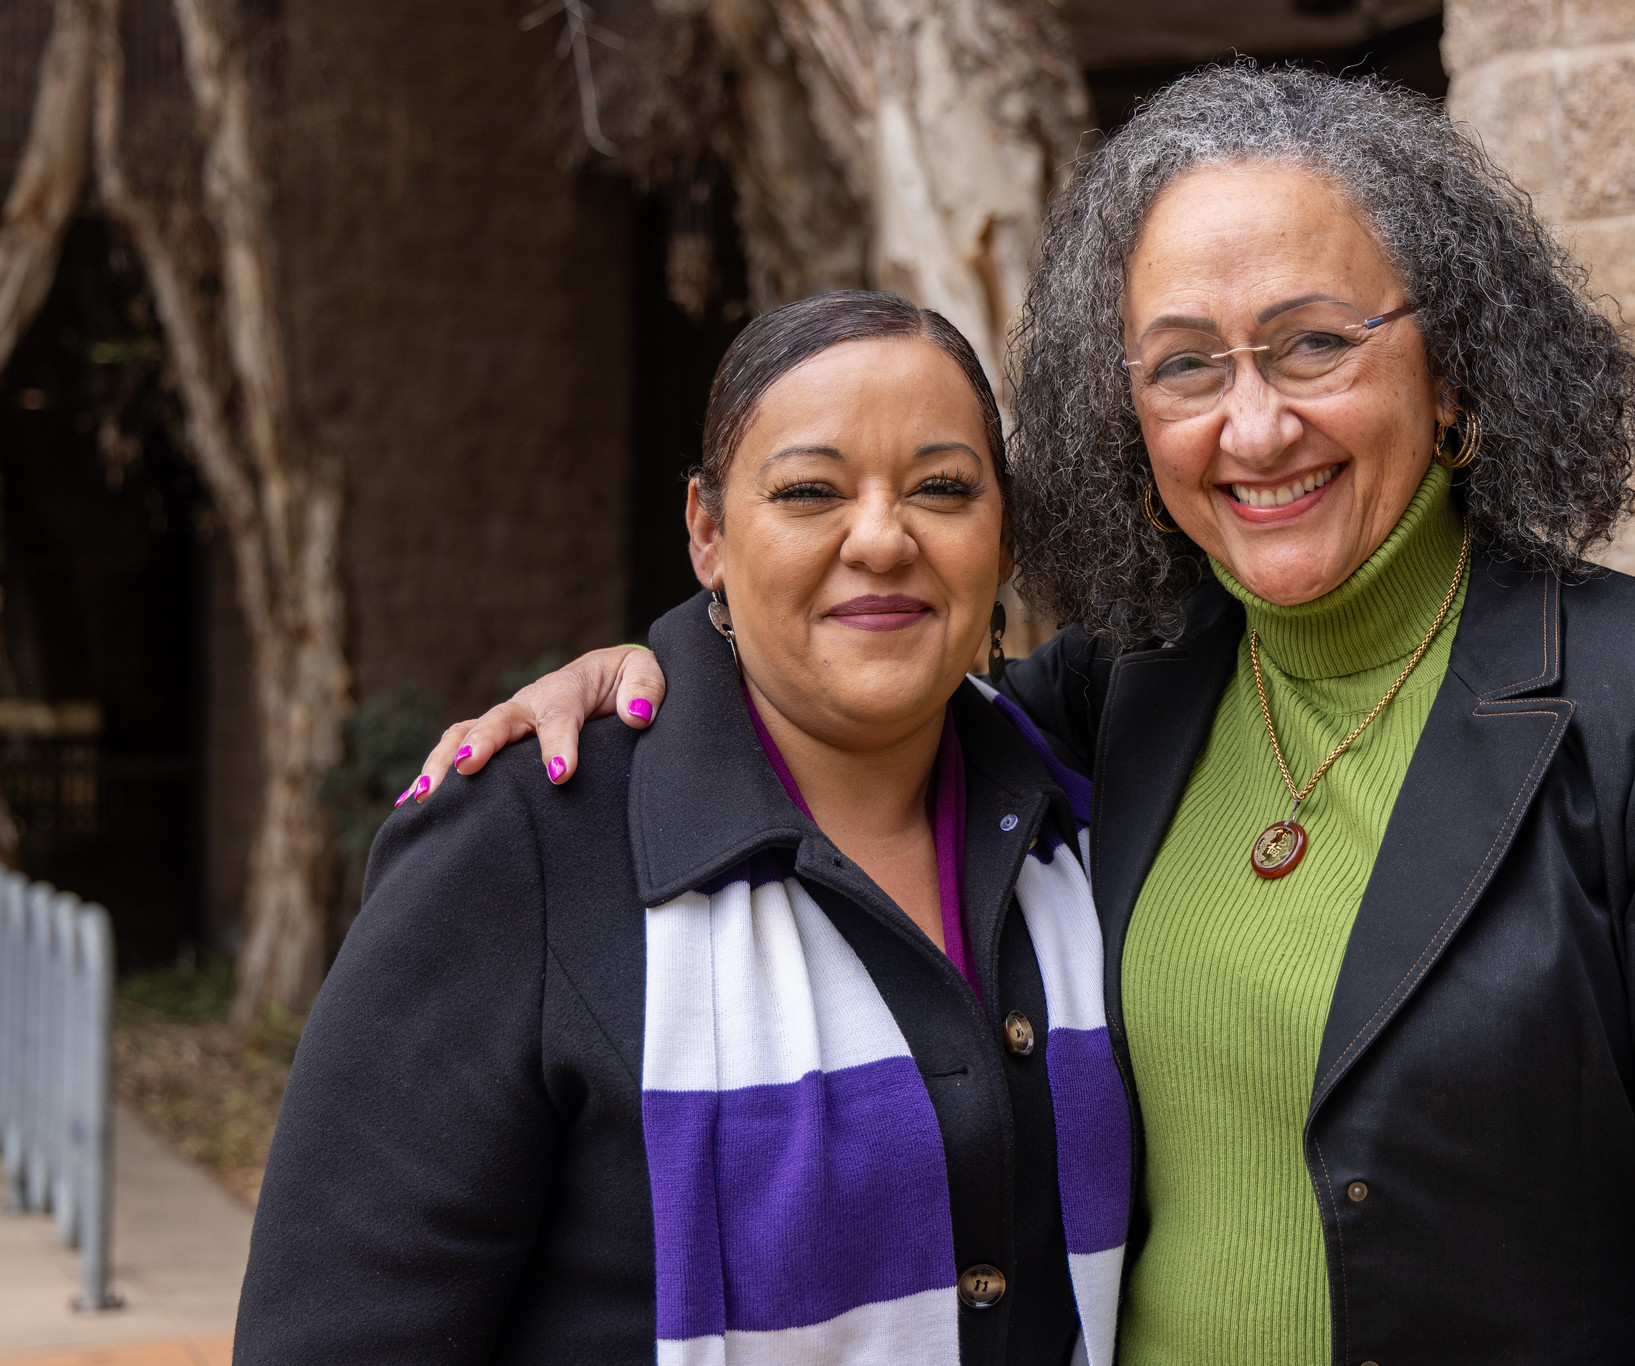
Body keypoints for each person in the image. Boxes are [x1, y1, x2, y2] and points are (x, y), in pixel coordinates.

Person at [416, 68, 1635, 1364]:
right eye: (1186, 365)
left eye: (1313, 344)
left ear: (1457, 370)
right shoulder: (1119, 698)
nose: (1252, 426)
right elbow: (856, 679)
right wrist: (666, 667)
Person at [236, 292, 1131, 1365]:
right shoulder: (529, 839)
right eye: (809, 491)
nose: (882, 537)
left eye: (941, 488)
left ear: (1003, 528)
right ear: (707, 531)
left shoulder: (1082, 786)